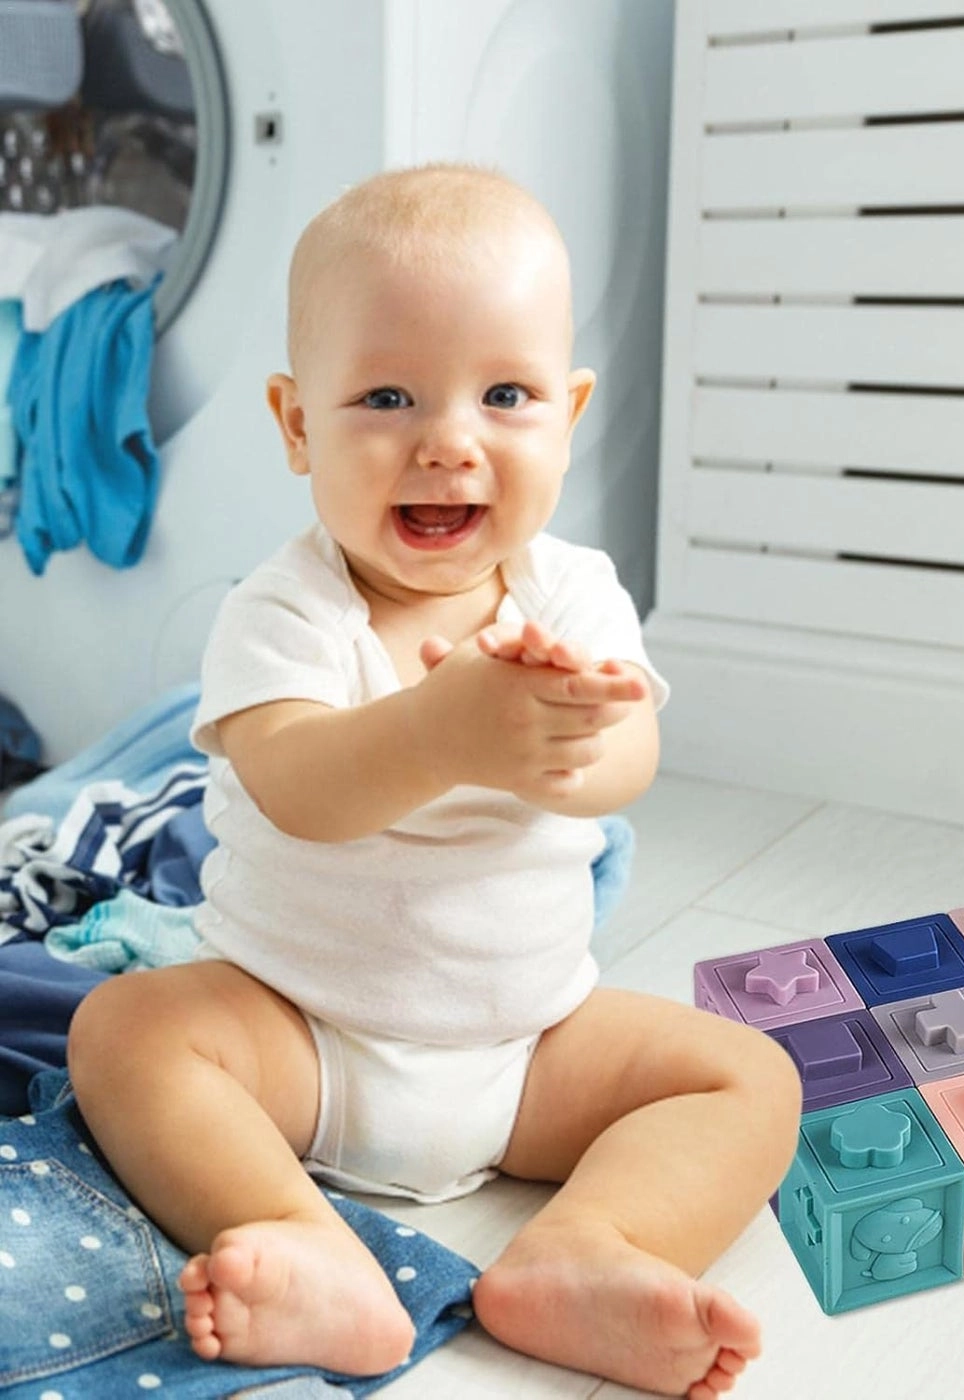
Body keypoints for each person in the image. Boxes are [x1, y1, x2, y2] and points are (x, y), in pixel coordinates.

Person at [67, 164, 803, 1400]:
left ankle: (584, 1248)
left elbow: (629, 758)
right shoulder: (284, 609)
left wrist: (571, 741)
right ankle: (300, 1234)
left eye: (504, 395)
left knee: (750, 1076)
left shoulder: (572, 591)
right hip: (300, 1033)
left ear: (566, 414)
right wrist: (441, 732)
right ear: (297, 423)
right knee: (125, 1031)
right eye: (386, 396)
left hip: (528, 1048)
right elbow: (296, 785)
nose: (448, 440)